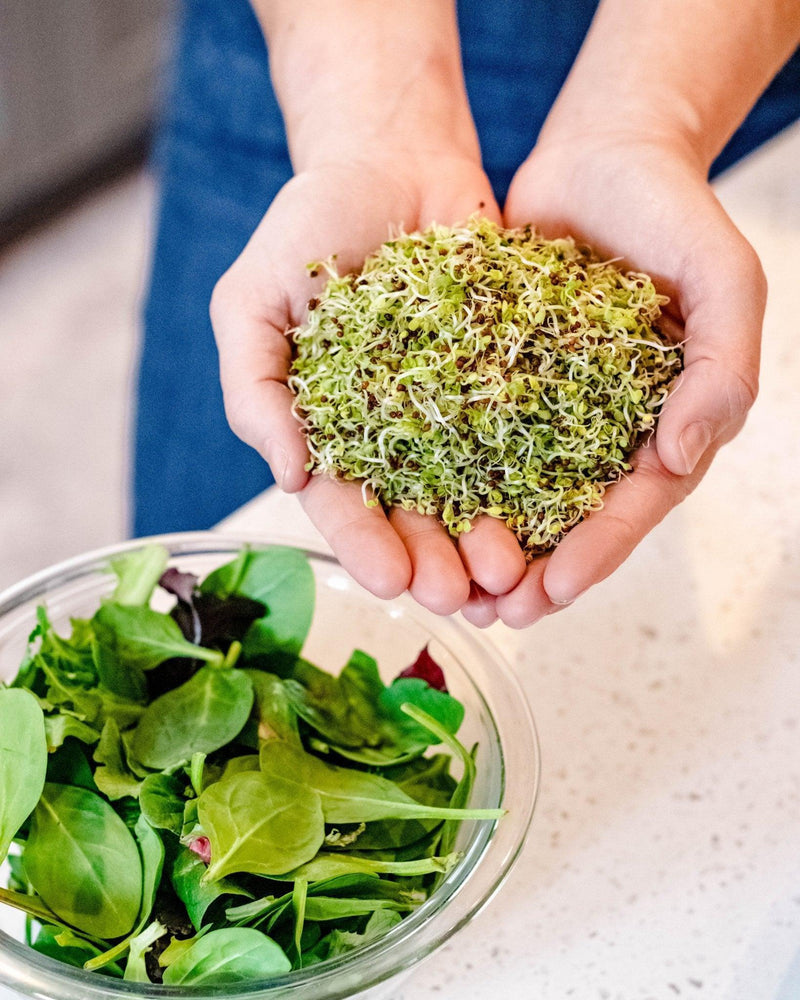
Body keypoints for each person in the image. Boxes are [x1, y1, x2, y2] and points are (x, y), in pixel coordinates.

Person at [136, 0, 800, 629]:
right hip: (319, 45)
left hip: (701, 44)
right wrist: (368, 124)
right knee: (197, 580)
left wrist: (648, 124)